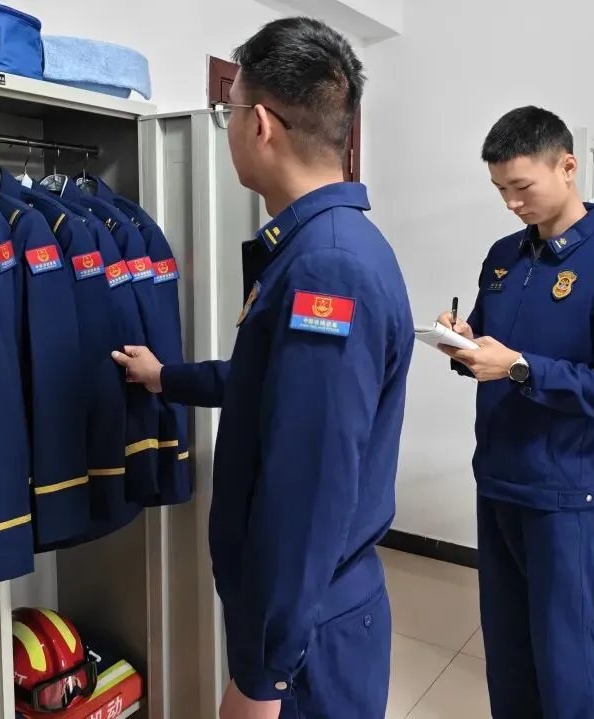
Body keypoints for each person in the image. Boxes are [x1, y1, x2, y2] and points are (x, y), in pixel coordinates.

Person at [112, 17, 413, 719]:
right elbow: (272, 388)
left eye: (229, 113)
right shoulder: (328, 245)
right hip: (311, 609)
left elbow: (308, 486)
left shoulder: (327, 269)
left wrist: (264, 675)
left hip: (307, 632)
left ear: (261, 125)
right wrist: (166, 377)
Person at [438, 106, 594, 719]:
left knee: (567, 662)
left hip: (561, 494)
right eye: (499, 190)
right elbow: (489, 348)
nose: (512, 203)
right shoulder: (504, 256)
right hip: (497, 481)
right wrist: (462, 342)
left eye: (521, 187)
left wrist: (519, 367)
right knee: (508, 651)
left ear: (567, 167)